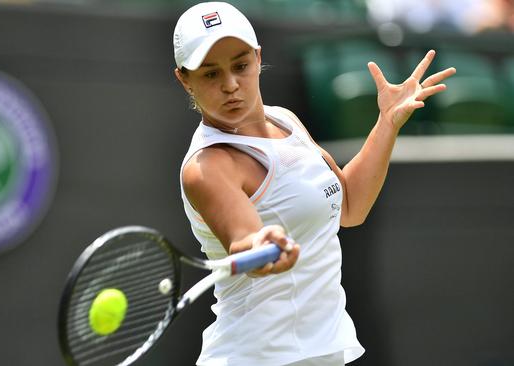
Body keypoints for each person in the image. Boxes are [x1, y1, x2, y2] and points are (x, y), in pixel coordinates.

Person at [173, 2, 455, 365]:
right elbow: (244, 241)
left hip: (321, 349)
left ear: (258, 58)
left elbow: (350, 207)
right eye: (211, 74)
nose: (230, 85)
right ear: (184, 78)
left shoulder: (285, 121)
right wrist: (260, 244)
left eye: (240, 66)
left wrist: (387, 123)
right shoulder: (208, 166)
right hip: (260, 357)